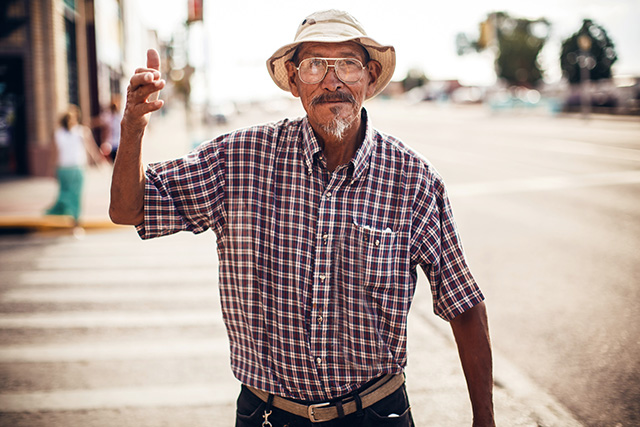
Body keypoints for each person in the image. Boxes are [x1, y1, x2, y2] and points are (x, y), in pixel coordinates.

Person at [110, 10, 495, 427]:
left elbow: (464, 306)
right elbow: (129, 209)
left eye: (347, 64)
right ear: (294, 81)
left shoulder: (412, 179)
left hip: (376, 414)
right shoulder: (239, 159)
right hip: (267, 414)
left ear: (368, 76)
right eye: (315, 66)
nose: (333, 82)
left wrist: (485, 420)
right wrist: (132, 127)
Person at [47, 105, 104, 226]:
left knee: (64, 193)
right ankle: (76, 220)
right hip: (77, 168)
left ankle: (63, 215)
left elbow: (54, 154)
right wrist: (99, 162)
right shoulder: (82, 131)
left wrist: (52, 170)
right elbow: (91, 149)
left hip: (62, 169)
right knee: (76, 196)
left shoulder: (57, 133)